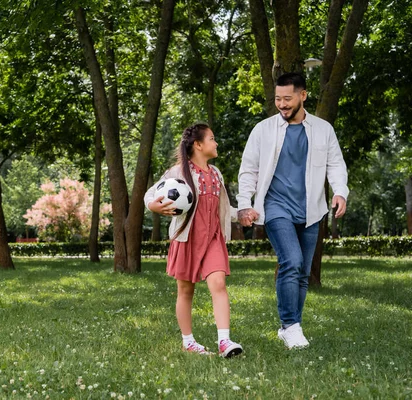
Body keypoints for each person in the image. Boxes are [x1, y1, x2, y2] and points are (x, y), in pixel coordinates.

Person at [237, 72, 349, 349]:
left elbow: (335, 164)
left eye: (287, 98)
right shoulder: (263, 130)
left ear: (303, 95)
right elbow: (248, 170)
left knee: (302, 271)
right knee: (292, 262)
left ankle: (291, 328)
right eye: (278, 99)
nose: (282, 104)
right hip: (275, 207)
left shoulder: (323, 129)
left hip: (312, 210)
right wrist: (244, 204)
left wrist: (340, 192)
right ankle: (290, 325)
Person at [144, 123, 253, 358]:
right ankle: (188, 341)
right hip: (187, 238)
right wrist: (153, 205)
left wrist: (241, 214)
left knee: (219, 284)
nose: (216, 143)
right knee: (185, 291)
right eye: (212, 139)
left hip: (213, 237)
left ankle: (224, 341)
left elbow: (222, 209)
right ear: (198, 144)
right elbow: (151, 194)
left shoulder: (216, 174)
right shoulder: (178, 173)